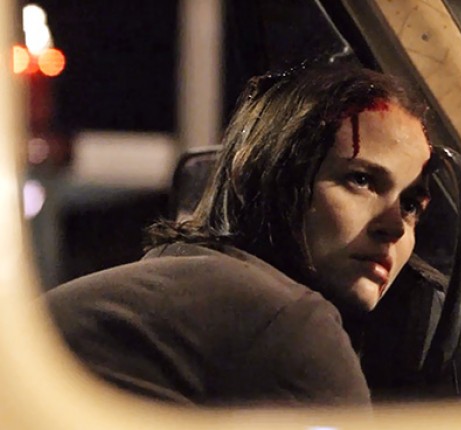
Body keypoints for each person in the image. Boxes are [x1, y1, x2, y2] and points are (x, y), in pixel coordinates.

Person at [43, 65, 434, 407]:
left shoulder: (178, 281)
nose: (395, 227)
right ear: (262, 173)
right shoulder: (288, 322)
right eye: (361, 180)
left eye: (411, 205)